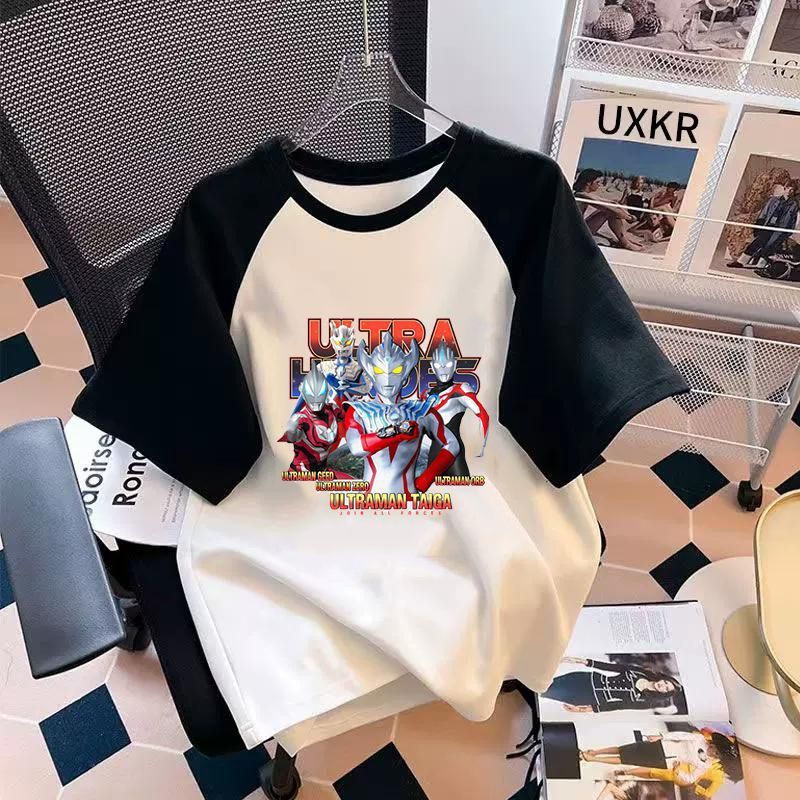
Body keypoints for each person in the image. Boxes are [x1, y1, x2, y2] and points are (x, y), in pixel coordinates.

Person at [607, 730, 743, 799]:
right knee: (651, 771)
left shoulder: (717, 774)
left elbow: (707, 793)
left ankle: (626, 775)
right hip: (676, 761)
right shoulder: (706, 743)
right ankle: (626, 773)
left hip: (679, 771)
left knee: (651, 772)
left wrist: (695, 786)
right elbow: (689, 736)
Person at [541, 655, 685, 713]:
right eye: (666, 682)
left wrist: (583, 710)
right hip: (587, 679)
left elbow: (618, 706)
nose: (663, 685)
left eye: (666, 689)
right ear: (663, 678)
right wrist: (584, 662)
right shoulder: (641, 672)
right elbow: (614, 667)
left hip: (590, 696)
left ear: (664, 693)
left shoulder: (646, 701)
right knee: (546, 682)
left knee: (547, 692)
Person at [729, 180, 800, 269]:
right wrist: (759, 225)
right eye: (788, 188)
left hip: (780, 230)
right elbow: (764, 213)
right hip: (768, 225)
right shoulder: (773, 200)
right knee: (757, 243)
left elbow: (792, 220)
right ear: (785, 188)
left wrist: (787, 233)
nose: (790, 191)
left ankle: (761, 265)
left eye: (792, 190)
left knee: (771, 246)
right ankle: (741, 261)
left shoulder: (794, 205)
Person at [573, 168, 644, 251]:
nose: (599, 185)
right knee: (610, 212)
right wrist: (629, 218)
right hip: (576, 233)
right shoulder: (582, 195)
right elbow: (607, 207)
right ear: (588, 183)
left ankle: (625, 239)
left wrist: (623, 211)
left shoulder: (582, 193)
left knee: (609, 210)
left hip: (579, 227)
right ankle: (625, 243)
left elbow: (610, 202)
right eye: (597, 182)